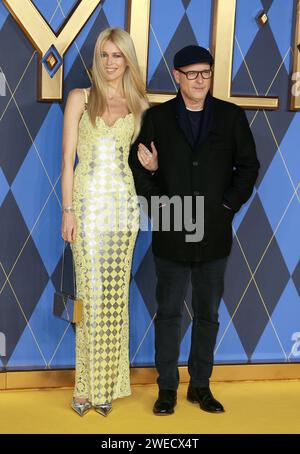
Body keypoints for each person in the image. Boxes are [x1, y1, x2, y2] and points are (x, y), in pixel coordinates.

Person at [129, 45, 259, 415]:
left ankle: (200, 386)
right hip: (171, 229)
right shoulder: (156, 118)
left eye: (205, 73)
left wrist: (226, 206)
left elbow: (248, 167)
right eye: (191, 74)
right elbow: (137, 167)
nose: (199, 80)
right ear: (177, 77)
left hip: (215, 232)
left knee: (208, 315)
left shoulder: (232, 117)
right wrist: (163, 208)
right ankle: (167, 388)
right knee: (168, 312)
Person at [61, 27, 148, 417]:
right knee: (89, 298)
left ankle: (107, 385)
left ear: (128, 59)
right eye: (105, 55)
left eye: (118, 56)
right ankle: (84, 385)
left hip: (122, 214)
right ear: (97, 58)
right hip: (86, 210)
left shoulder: (139, 106)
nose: (111, 63)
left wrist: (155, 164)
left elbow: (142, 167)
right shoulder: (80, 97)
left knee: (114, 300)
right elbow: (68, 161)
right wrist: (68, 210)